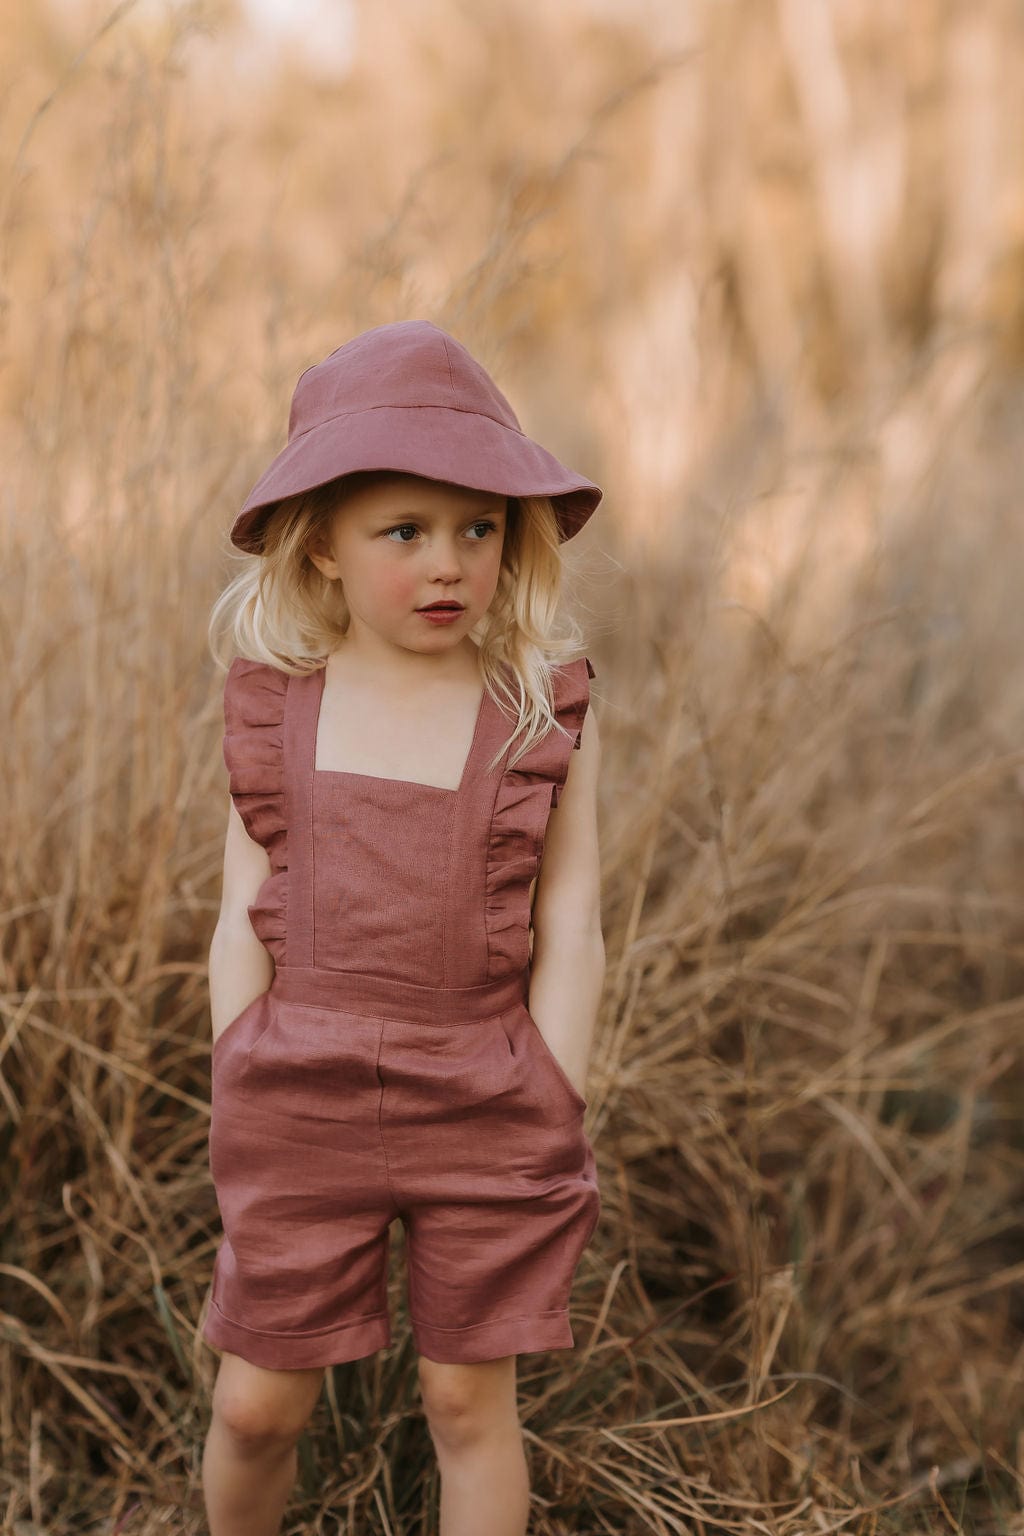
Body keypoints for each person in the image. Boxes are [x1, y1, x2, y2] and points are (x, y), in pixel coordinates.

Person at [200, 319, 605, 1536]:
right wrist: (239, 1066)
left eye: (478, 529)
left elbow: (573, 916)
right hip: (298, 1091)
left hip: (485, 1093)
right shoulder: (278, 714)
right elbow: (240, 910)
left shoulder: (536, 707)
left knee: (466, 1402)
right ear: (319, 545)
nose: (449, 565)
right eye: (405, 532)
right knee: (257, 1408)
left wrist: (553, 1088)